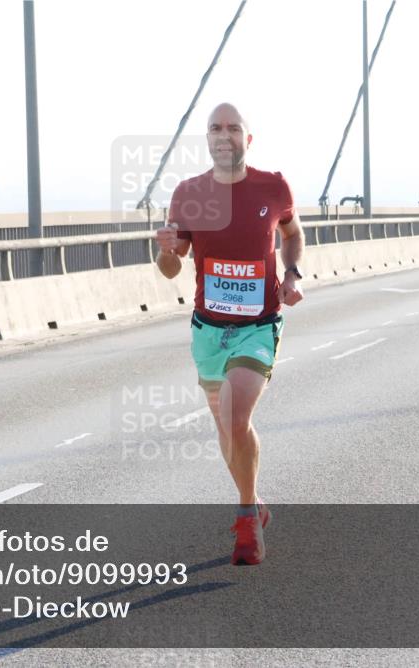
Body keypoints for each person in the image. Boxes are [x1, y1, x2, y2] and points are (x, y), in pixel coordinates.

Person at [154, 102, 304, 565]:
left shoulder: (273, 186)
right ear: (208, 140)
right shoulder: (188, 193)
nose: (224, 135)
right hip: (208, 331)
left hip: (257, 327)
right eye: (216, 128)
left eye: (233, 128)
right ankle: (254, 504)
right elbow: (170, 267)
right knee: (227, 429)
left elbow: (293, 233)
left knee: (235, 416)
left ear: (247, 139)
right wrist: (163, 250)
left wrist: (292, 274)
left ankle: (245, 525)